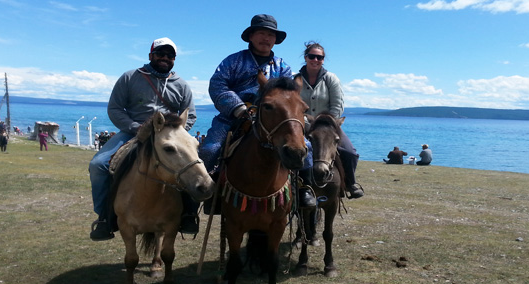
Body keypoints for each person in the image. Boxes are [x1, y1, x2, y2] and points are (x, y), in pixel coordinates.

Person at [198, 14, 315, 208]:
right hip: (233, 116)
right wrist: (238, 108)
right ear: (251, 36)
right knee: (210, 149)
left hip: (273, 119)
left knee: (306, 147)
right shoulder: (233, 61)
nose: (266, 38)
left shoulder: (283, 67)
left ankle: (305, 189)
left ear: (275, 40)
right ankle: (199, 198)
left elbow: (290, 95)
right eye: (261, 33)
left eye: (271, 35)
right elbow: (217, 85)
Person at [88, 37, 198, 241]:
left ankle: (189, 214)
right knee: (98, 164)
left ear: (174, 59)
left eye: (170, 55)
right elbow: (115, 108)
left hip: (169, 135)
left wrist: (175, 132)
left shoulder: (181, 85)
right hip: (133, 132)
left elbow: (189, 114)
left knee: (193, 165)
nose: (165, 58)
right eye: (161, 54)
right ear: (151, 55)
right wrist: (135, 128)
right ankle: (104, 218)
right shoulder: (130, 77)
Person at [294, 41, 364, 199]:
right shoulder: (296, 80)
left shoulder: (331, 78)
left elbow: (337, 106)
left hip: (329, 127)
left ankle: (351, 183)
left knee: (350, 153)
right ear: (305, 57)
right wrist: (305, 124)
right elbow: (294, 106)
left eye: (320, 57)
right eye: (312, 56)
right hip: (304, 125)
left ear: (323, 59)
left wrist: (327, 125)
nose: (316, 60)